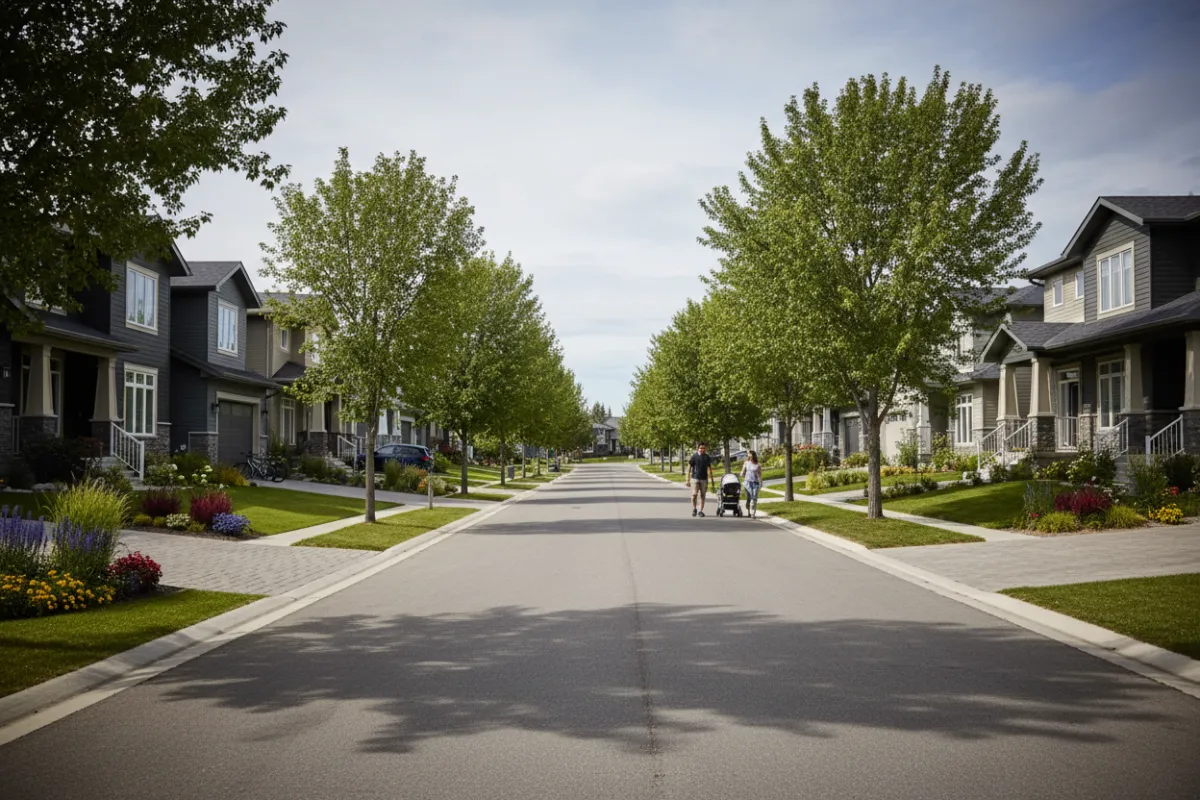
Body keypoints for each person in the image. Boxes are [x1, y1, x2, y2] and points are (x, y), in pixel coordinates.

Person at [686, 442, 715, 517]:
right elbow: (689, 468)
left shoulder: (707, 457)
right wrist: (687, 479)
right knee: (694, 494)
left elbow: (710, 468)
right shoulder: (694, 456)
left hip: (704, 479)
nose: (702, 449)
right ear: (698, 448)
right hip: (695, 478)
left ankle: (700, 511)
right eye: (701, 448)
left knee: (703, 495)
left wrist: (712, 480)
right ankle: (694, 508)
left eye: (704, 448)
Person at [740, 450, 763, 518]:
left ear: (754, 456)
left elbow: (759, 475)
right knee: (749, 498)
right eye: (749, 455)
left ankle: (753, 513)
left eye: (751, 455)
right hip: (747, 483)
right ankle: (748, 510)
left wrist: (760, 483)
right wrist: (741, 474)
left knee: (754, 497)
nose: (749, 456)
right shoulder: (746, 463)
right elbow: (743, 471)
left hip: (755, 483)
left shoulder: (758, 465)